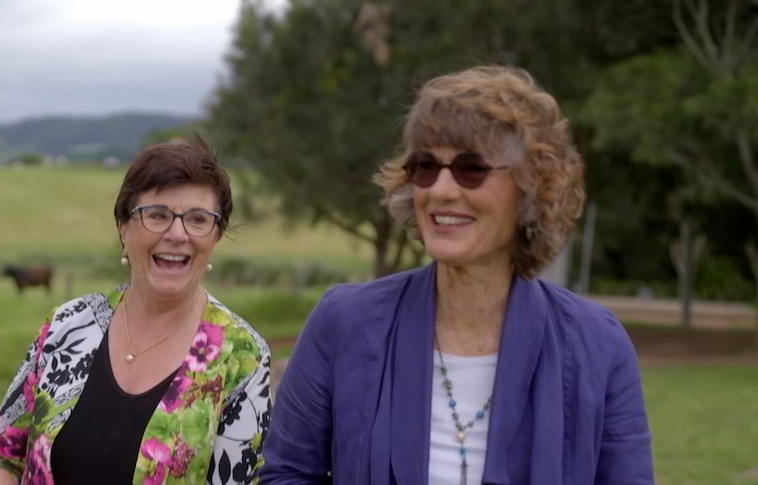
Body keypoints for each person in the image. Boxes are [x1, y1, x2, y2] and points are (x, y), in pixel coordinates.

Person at [259, 65, 654, 484]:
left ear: (532, 186)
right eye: (426, 167)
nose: (441, 190)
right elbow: (287, 474)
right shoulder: (343, 321)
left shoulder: (597, 344)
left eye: (472, 168)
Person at [0, 138, 272, 484]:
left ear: (216, 236)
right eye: (157, 215)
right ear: (123, 228)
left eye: (198, 219)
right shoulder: (66, 326)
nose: (176, 234)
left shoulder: (243, 356)